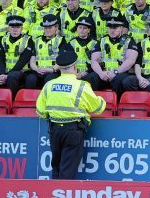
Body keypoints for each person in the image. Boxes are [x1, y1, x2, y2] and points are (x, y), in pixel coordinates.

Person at [36, 48, 105, 180]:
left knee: (56, 167)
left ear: (60, 68)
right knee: (67, 170)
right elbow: (98, 108)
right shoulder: (81, 86)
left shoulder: (49, 85)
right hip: (73, 130)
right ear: (75, 66)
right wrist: (102, 100)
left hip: (55, 130)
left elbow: (40, 111)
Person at [89, 15, 139, 95]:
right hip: (104, 74)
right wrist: (101, 73)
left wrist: (115, 72)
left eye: (115, 28)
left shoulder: (129, 41)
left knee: (118, 80)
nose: (112, 30)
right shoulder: (102, 40)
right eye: (110, 28)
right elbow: (94, 61)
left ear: (121, 28)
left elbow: (131, 61)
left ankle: (117, 103)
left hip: (120, 73)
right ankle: (94, 101)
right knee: (91, 77)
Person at [0, 15, 33, 97]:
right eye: (12, 27)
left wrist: (7, 75)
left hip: (21, 71)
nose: (15, 30)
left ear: (22, 29)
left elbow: (23, 61)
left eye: (18, 27)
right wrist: (2, 74)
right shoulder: (3, 39)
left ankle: (11, 100)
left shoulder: (28, 40)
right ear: (9, 28)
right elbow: (1, 59)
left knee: (12, 76)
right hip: (5, 71)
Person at [26, 14, 66, 89]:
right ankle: (31, 100)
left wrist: (52, 70)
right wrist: (36, 69)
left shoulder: (61, 40)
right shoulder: (37, 40)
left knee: (49, 80)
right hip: (38, 71)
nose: (47, 30)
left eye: (50, 27)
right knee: (30, 79)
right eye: (45, 28)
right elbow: (32, 60)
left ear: (56, 27)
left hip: (53, 71)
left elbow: (62, 60)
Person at [68, 16, 98, 84]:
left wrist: (86, 72)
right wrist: (74, 73)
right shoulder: (71, 43)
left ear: (89, 30)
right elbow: (68, 62)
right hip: (74, 73)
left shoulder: (95, 43)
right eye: (80, 27)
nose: (82, 30)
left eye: (85, 28)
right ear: (77, 29)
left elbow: (97, 62)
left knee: (93, 77)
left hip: (89, 73)